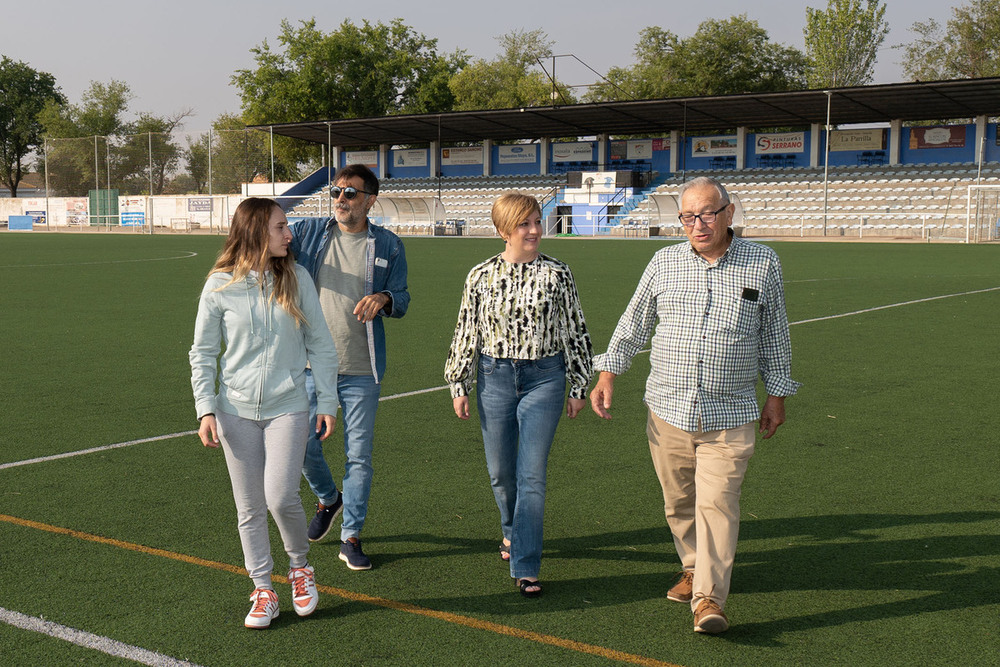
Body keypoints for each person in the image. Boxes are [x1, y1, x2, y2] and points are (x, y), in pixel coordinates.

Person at [589, 176, 800, 634]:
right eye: (687, 216)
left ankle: (708, 600)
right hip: (667, 410)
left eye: (707, 213)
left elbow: (775, 334)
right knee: (679, 502)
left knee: (718, 505)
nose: (697, 224)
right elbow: (634, 322)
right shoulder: (663, 263)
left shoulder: (762, 262)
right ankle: (692, 566)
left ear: (729, 213)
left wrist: (777, 395)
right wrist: (608, 374)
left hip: (732, 412)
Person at [189, 197, 339, 629]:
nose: (288, 234)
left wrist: (326, 400)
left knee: (279, 497)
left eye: (286, 226)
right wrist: (205, 408)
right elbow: (202, 352)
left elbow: (321, 345)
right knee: (249, 506)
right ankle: (263, 589)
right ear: (255, 231)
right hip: (233, 410)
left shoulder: (297, 277)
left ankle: (299, 567)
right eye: (280, 227)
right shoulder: (219, 284)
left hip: (288, 406)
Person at [445, 192, 594, 597]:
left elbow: (576, 329)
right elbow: (466, 330)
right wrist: (459, 382)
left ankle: (526, 565)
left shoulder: (558, 274)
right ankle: (511, 531)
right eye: (524, 223)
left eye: (536, 222)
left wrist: (579, 384)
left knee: (532, 475)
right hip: (493, 376)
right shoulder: (480, 276)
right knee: (501, 472)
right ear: (503, 230)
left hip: (545, 377)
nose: (533, 230)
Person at [290, 164, 410, 571]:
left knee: (358, 456)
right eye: (337, 192)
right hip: (310, 366)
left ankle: (351, 536)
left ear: (370, 200)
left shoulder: (389, 245)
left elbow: (404, 298)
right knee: (302, 446)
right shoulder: (308, 232)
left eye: (350, 193)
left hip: (362, 369)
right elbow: (265, 224)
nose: (341, 199)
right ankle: (329, 499)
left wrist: (385, 298)